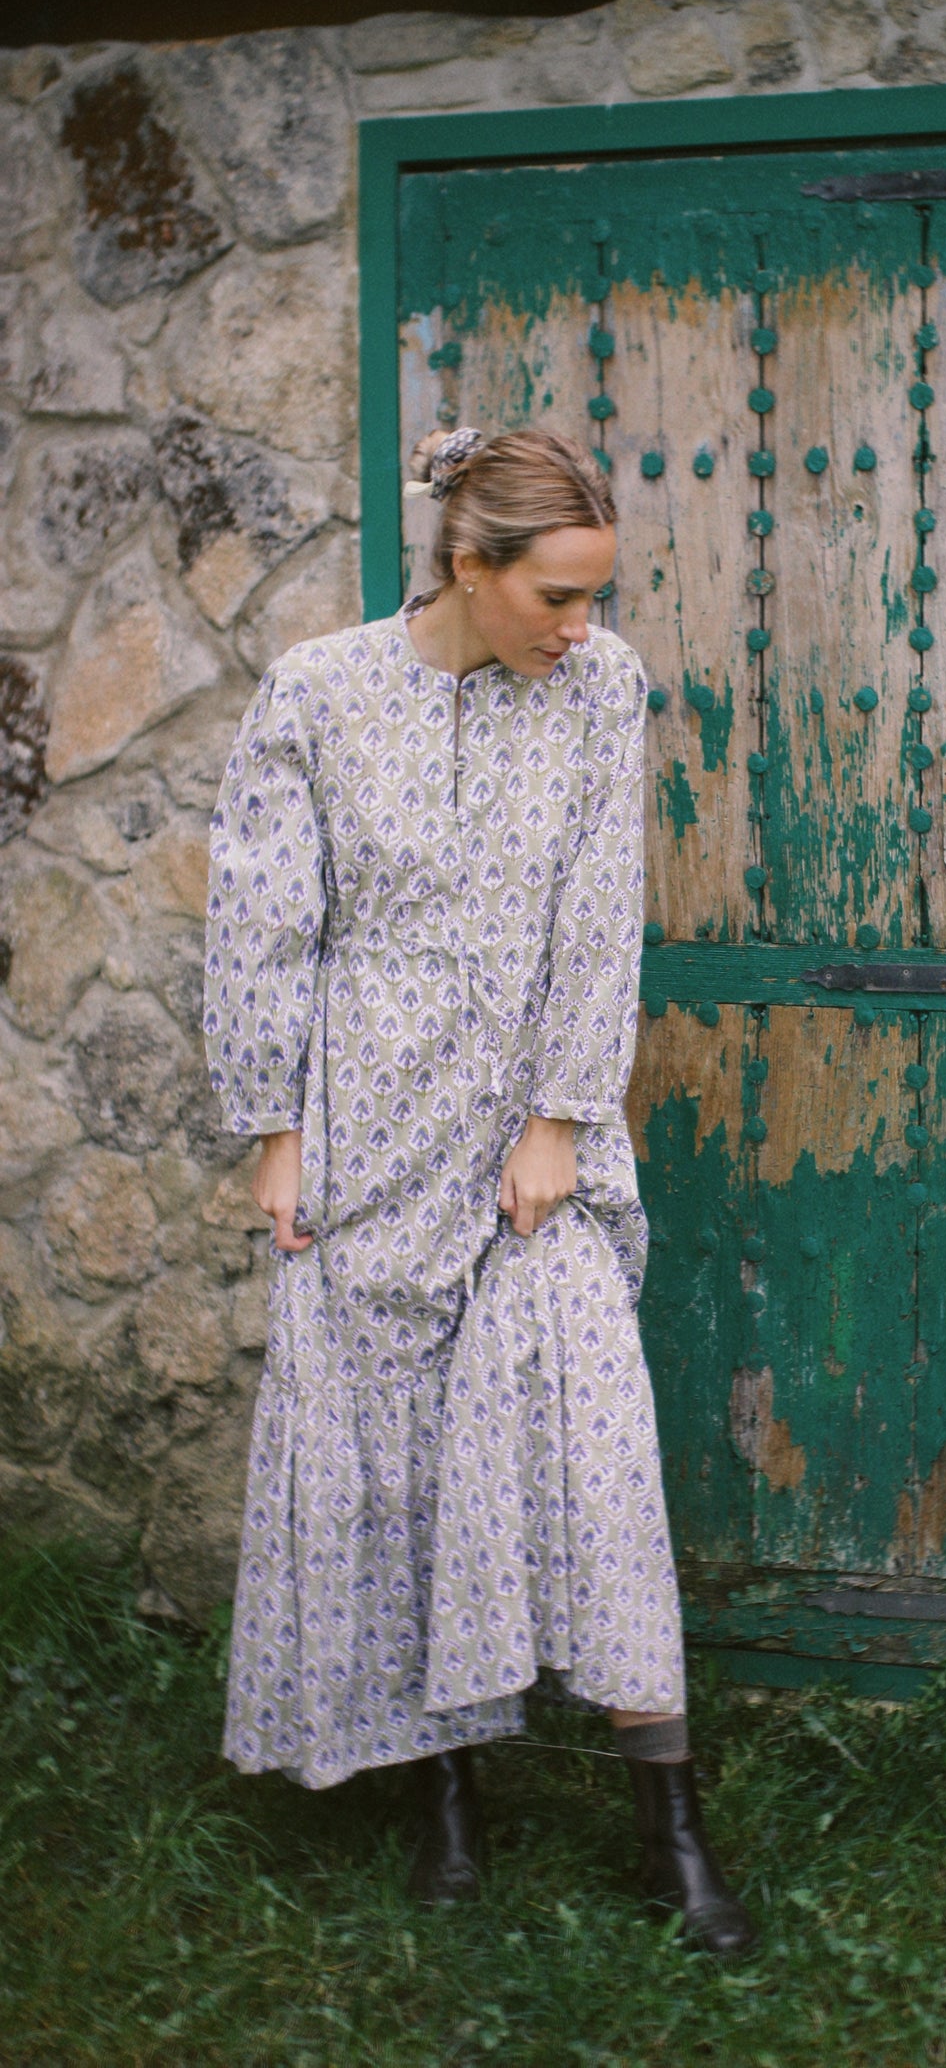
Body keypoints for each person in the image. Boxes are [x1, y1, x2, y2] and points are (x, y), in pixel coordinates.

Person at [203, 425, 754, 1956]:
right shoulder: (317, 690)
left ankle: (672, 1818)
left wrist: (563, 1117)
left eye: (592, 596)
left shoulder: (599, 686)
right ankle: (444, 1794)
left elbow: (599, 912)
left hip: (529, 1137)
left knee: (592, 1454)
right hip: (365, 1124)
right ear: (469, 566)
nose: (577, 625)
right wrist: (274, 1128)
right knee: (397, 1470)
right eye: (556, 596)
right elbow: (264, 920)